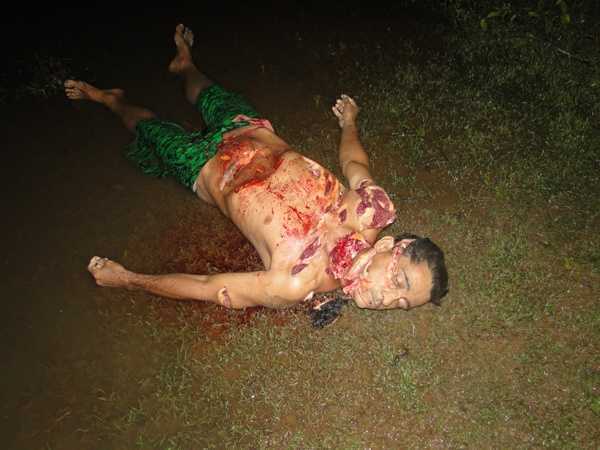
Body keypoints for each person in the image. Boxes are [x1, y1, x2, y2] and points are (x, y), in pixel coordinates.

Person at [65, 24, 448, 311]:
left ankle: (111, 100)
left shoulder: (294, 282)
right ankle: (185, 65)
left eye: (401, 303)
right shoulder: (370, 209)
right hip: (249, 128)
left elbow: (209, 286)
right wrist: (349, 123)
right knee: (206, 92)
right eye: (399, 281)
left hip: (202, 167)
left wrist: (129, 280)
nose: (387, 298)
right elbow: (354, 162)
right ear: (390, 246)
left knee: (148, 129)